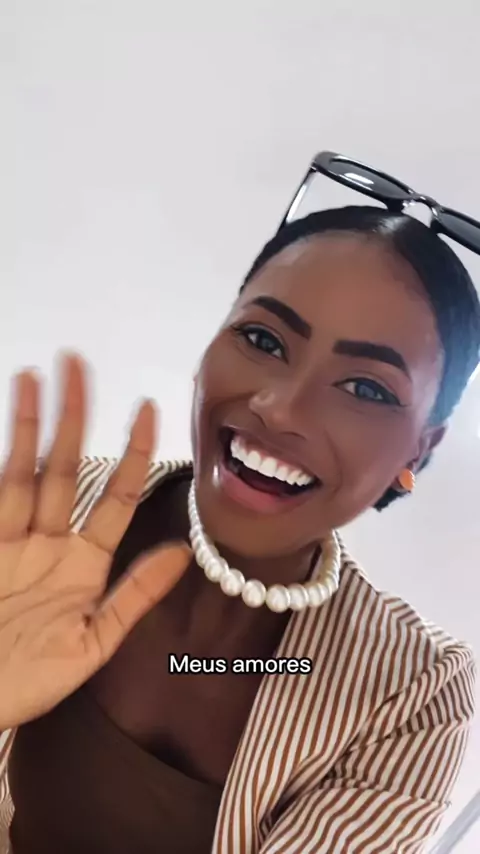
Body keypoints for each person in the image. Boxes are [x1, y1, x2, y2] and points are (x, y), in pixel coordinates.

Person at [0, 151, 479, 854]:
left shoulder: (415, 695)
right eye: (262, 339)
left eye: (366, 388)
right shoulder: (36, 520)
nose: (280, 408)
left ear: (419, 451)